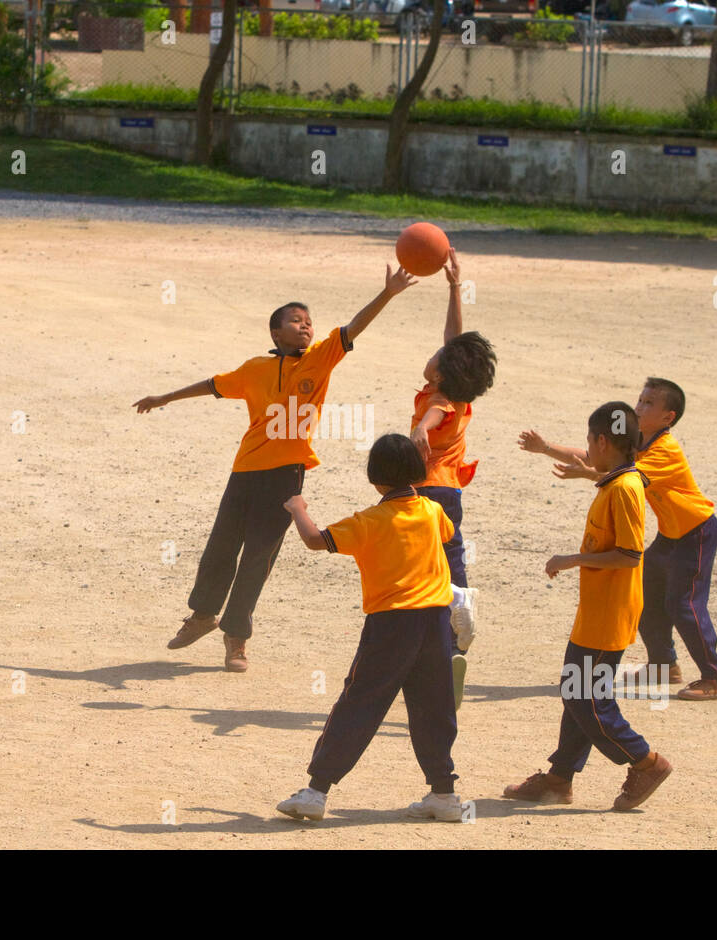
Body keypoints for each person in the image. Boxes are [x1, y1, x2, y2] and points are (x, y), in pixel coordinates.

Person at [133, 265, 417, 673]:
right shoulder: (254, 370)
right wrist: (164, 398)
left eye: (308, 322)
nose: (305, 326)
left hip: (286, 474)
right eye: (295, 321)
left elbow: (354, 327)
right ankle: (202, 617)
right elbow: (211, 385)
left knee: (258, 557)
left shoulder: (320, 359)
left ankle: (236, 639)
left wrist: (387, 293)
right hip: (245, 470)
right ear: (275, 333)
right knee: (220, 548)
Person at [276, 434, 464, 822]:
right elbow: (447, 532)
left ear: (375, 477)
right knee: (433, 706)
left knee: (360, 702)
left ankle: (317, 791)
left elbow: (315, 540)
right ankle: (443, 793)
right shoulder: (430, 510)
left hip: (391, 624)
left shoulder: (368, 521)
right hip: (435, 621)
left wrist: (298, 508)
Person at [521, 378, 717, 700]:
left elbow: (620, 474)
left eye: (649, 403)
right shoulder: (640, 442)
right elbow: (597, 455)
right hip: (670, 535)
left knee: (683, 604)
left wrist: (586, 473)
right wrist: (546, 448)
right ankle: (664, 666)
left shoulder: (665, 450)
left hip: (696, 534)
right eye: (640, 399)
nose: (639, 406)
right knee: (647, 597)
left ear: (668, 417)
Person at [505, 404, 672, 809]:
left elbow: (630, 554)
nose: (586, 450)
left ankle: (646, 761)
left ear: (602, 441)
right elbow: (595, 471)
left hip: (609, 614)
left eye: (588, 441)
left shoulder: (625, 489)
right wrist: (558, 456)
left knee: (586, 698)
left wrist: (571, 559)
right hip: (597, 611)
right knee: (575, 692)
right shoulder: (617, 478)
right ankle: (559, 779)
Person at [408, 248, 496, 710]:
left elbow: (432, 416)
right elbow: (454, 339)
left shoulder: (439, 399)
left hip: (424, 491)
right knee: (450, 555)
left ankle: (437, 625)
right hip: (451, 491)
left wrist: (420, 430)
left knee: (420, 568)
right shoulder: (460, 396)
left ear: (441, 370)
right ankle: (454, 631)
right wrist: (454, 286)